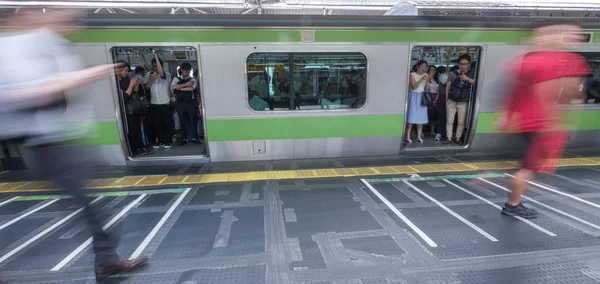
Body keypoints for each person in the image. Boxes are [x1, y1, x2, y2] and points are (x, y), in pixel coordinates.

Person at [0, 10, 148, 280]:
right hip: (45, 143)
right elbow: (35, 92)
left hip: (58, 141)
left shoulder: (46, 44)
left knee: (91, 205)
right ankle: (106, 260)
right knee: (91, 207)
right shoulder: (15, 47)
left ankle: (106, 258)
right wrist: (90, 74)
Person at [495, 24, 592, 219]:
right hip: (540, 124)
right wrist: (556, 125)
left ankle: (513, 201)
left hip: (523, 122)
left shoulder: (524, 59)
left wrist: (506, 116)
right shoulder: (565, 60)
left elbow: (512, 91)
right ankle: (512, 205)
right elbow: (565, 93)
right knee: (528, 167)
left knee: (525, 166)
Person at [405, 60, 430, 143]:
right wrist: (421, 79)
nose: (424, 68)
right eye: (422, 66)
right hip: (413, 96)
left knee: (421, 117)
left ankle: (419, 136)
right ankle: (408, 136)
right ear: (418, 66)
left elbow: (427, 88)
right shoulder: (412, 75)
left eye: (425, 66)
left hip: (422, 96)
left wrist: (427, 80)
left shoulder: (426, 75)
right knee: (411, 116)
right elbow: (414, 87)